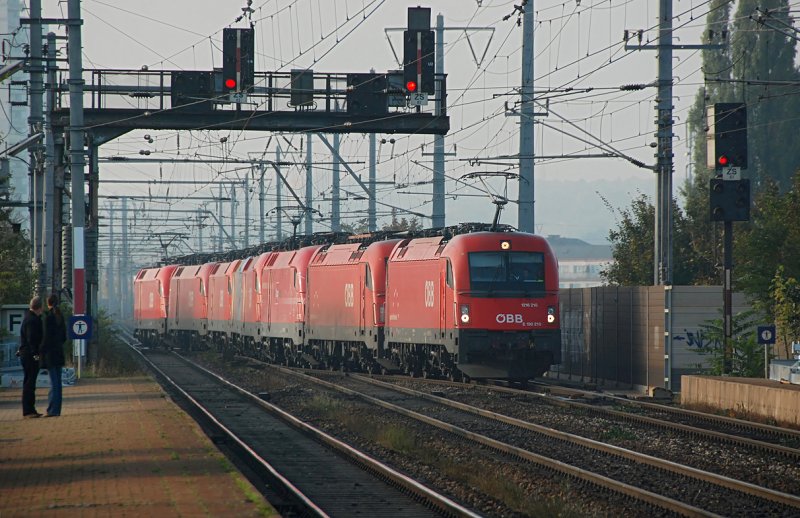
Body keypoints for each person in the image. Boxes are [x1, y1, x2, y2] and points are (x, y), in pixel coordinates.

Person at [41, 293, 67, 417]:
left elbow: (45, 338)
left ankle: (52, 410)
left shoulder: (48, 318)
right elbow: (64, 337)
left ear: (48, 303)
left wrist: (41, 351)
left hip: (50, 354)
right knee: (58, 383)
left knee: (53, 383)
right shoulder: (60, 317)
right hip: (59, 353)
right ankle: (57, 409)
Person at [18, 296, 44, 418]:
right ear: (40, 307)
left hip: (26, 354)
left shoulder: (28, 318)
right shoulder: (32, 320)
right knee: (30, 383)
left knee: (29, 382)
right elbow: (32, 339)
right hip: (29, 355)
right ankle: (28, 410)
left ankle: (30, 409)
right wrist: (36, 355)